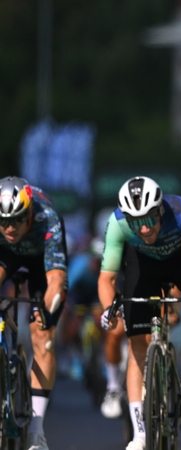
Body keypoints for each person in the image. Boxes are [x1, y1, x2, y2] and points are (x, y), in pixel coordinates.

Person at [98, 176, 181, 450]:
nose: (143, 227)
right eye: (135, 221)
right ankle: (140, 433)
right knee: (137, 347)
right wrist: (108, 310)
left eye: (150, 219)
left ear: (160, 211)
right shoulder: (117, 223)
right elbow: (107, 278)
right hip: (143, 267)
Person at [0, 177, 68, 450]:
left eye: (16, 220)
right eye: (3, 222)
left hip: (42, 260)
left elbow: (56, 280)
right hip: (5, 255)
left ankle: (36, 430)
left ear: (28, 213)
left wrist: (46, 312)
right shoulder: (5, 229)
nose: (9, 227)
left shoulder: (47, 217)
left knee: (42, 335)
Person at [62, 236, 127, 419]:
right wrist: (67, 307)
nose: (97, 264)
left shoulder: (108, 269)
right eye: (95, 261)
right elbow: (67, 288)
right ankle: (73, 355)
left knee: (103, 321)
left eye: (101, 261)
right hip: (79, 297)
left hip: (97, 298)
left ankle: (102, 358)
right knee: (72, 323)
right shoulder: (80, 266)